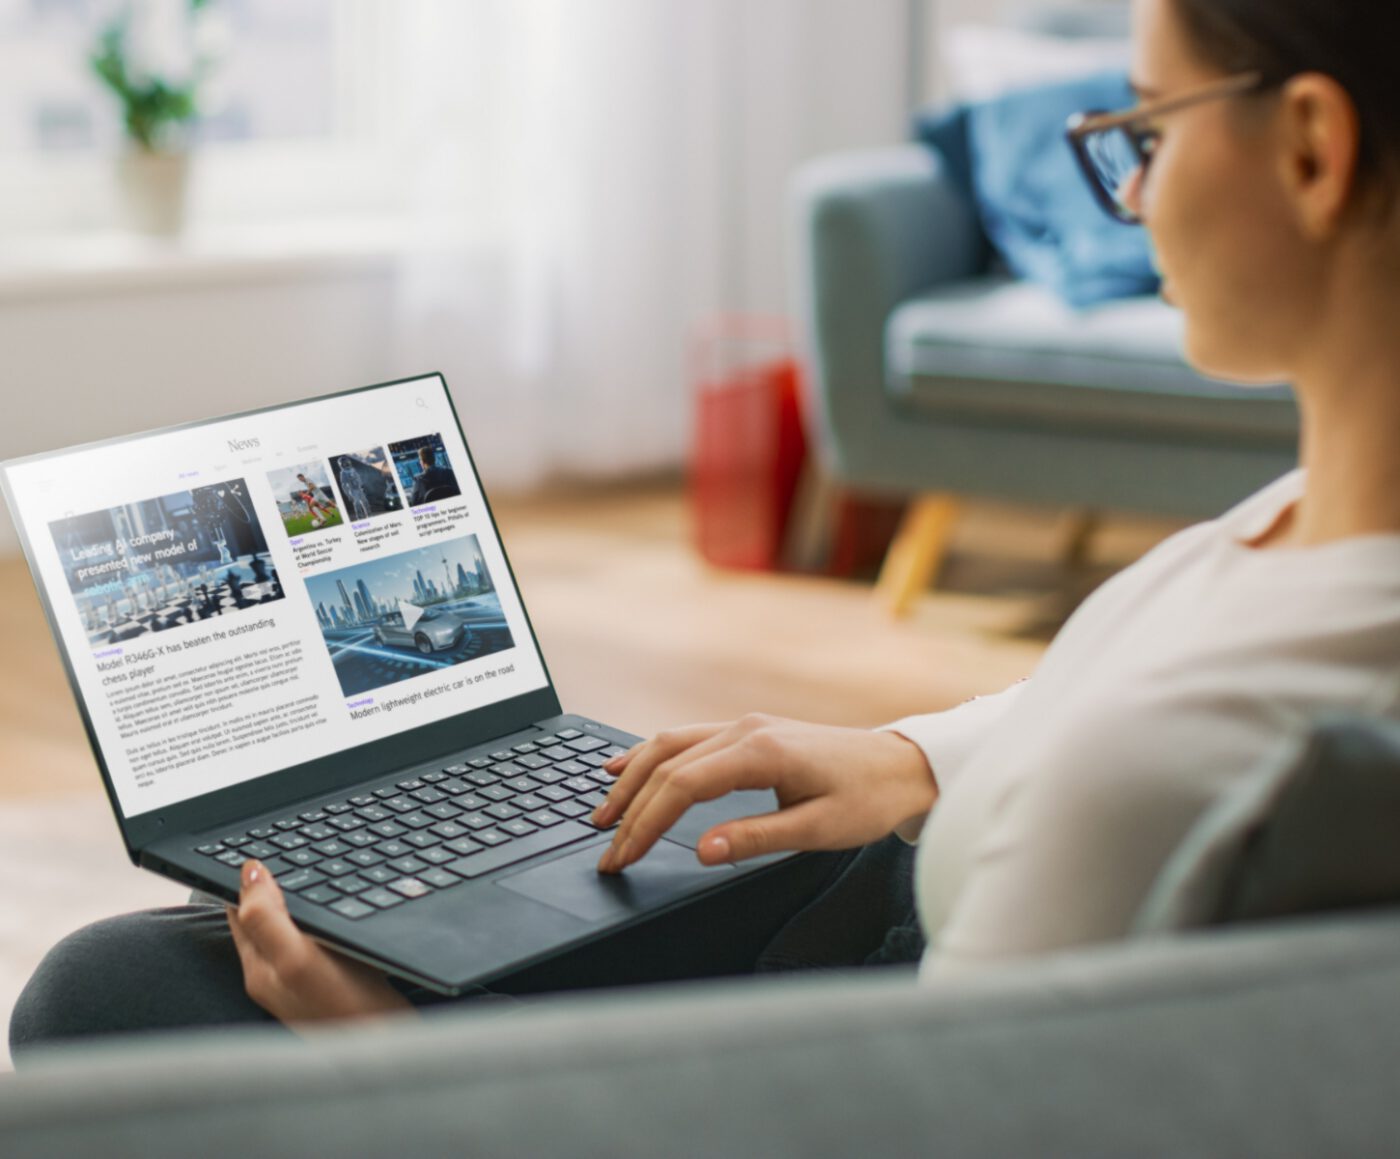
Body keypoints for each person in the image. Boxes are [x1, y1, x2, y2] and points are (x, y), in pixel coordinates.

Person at [11, 0, 1400, 1044]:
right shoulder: (1310, 532)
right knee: (278, 912)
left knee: (108, 993)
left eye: (1145, 129)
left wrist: (391, 1071)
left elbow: (903, 1123)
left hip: (856, 1006)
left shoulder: (1188, 767)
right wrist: (906, 756)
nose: (1131, 190)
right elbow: (1119, 694)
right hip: (892, 879)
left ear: (1311, 149)